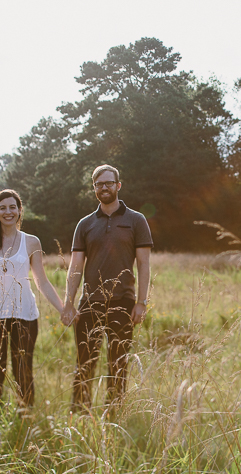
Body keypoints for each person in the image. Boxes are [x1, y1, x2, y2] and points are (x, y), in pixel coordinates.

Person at [61, 165, 153, 413]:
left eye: (108, 183)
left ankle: (114, 416)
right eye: (99, 184)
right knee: (85, 363)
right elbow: (76, 266)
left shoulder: (136, 220)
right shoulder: (85, 224)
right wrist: (68, 303)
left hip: (123, 301)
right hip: (90, 303)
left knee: (118, 364)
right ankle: (80, 415)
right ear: (94, 189)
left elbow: (144, 264)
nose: (104, 187)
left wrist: (141, 302)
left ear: (118, 185)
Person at [0, 189, 63, 409]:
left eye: (12, 207)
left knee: (24, 369)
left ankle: (26, 416)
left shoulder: (31, 242)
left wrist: (63, 309)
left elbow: (41, 281)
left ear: (20, 210)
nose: (8, 211)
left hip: (25, 315)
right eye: (2, 208)